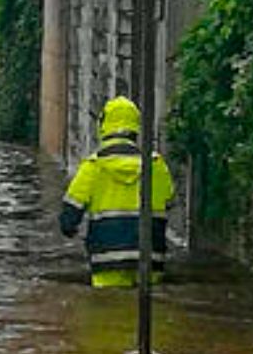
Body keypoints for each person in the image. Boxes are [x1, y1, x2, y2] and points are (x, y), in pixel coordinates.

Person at [59, 96, 174, 288]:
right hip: (149, 259)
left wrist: (71, 230)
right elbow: (169, 202)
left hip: (106, 262)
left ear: (103, 125)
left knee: (106, 311)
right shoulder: (156, 165)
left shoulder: (93, 166)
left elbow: (69, 218)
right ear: (136, 127)